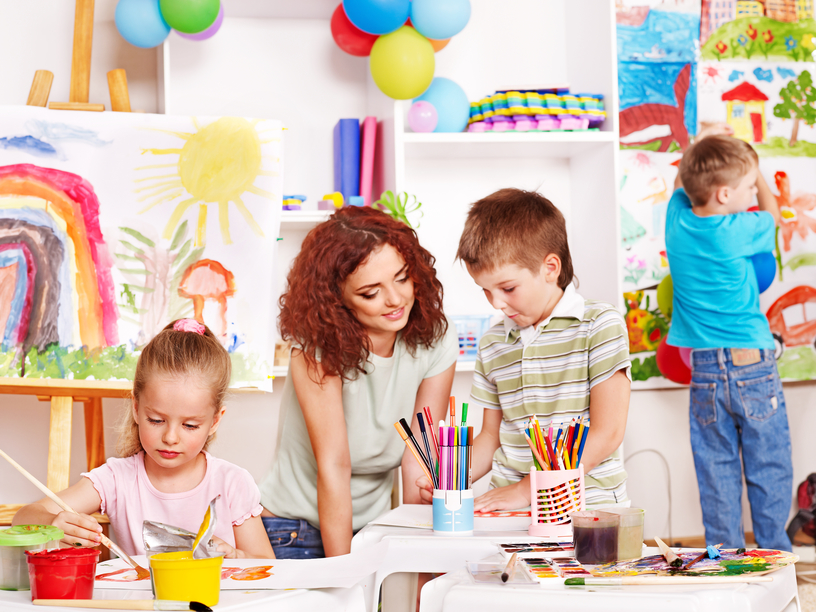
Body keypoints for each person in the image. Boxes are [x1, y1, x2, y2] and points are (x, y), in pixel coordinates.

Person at [258, 206, 457, 558]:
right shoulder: (315, 350)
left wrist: (420, 562)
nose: (396, 299)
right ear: (337, 301)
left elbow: (418, 458)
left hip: (375, 529)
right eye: (370, 293)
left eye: (402, 278)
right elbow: (335, 467)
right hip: (292, 529)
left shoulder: (436, 339)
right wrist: (345, 576)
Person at [419, 188, 631, 511]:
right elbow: (491, 438)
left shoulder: (600, 325)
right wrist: (449, 478)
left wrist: (528, 489)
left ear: (550, 268)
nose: (497, 303)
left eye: (507, 288)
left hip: (587, 506)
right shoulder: (492, 343)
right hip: (510, 507)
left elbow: (608, 432)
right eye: (485, 291)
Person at [14, 319, 275, 559]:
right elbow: (23, 517)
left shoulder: (232, 483)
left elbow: (269, 566)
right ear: (137, 408)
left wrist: (236, 558)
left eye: (190, 425)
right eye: (156, 420)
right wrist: (52, 523)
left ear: (215, 421)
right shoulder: (117, 479)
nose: (170, 437)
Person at [666, 126, 792, 551]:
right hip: (752, 362)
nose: (750, 195)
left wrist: (701, 150)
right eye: (744, 188)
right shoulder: (741, 226)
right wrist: (756, 171)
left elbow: (682, 185)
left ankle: (724, 563)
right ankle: (777, 559)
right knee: (768, 467)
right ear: (723, 194)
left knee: (715, 471)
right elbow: (773, 212)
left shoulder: (677, 223)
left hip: (703, 368)